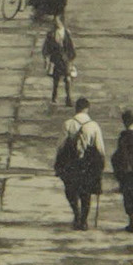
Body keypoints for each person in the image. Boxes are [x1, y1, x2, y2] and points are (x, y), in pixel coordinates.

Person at [54, 97, 106, 229]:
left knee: (71, 190)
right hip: (87, 163)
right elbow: (100, 147)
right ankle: (83, 220)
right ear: (87, 108)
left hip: (71, 162)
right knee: (86, 192)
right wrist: (101, 164)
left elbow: (60, 145)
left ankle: (76, 214)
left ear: (76, 108)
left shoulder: (68, 124)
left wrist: (58, 162)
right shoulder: (93, 125)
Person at [41, 16, 76, 103]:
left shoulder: (67, 33)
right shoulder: (51, 34)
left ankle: (68, 98)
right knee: (56, 79)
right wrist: (46, 58)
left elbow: (71, 47)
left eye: (58, 22)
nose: (56, 24)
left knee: (67, 79)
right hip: (56, 60)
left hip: (65, 60)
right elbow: (46, 47)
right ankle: (54, 96)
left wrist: (71, 59)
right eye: (55, 22)